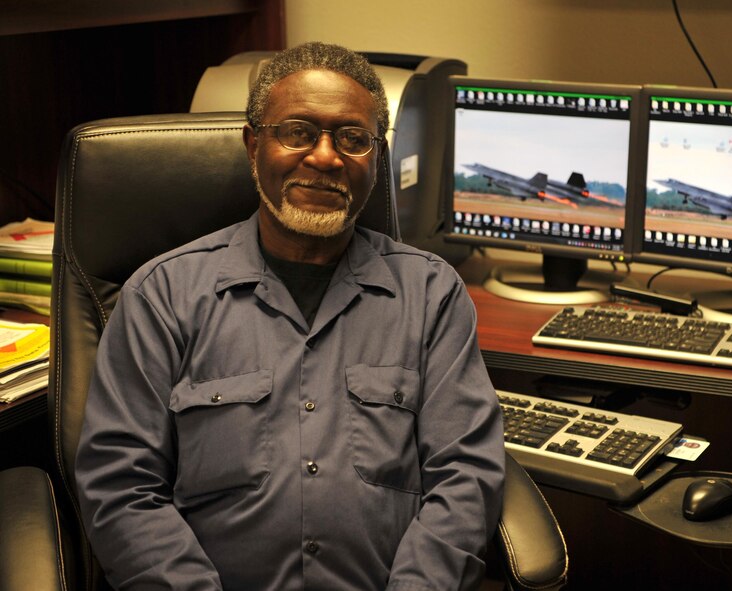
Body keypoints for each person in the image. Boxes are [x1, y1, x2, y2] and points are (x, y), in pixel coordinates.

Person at [75, 42, 505, 590]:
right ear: (254, 144)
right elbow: (121, 489)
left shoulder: (430, 294)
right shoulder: (162, 296)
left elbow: (466, 476)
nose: (325, 157)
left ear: (377, 158)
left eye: (353, 139)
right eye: (298, 132)